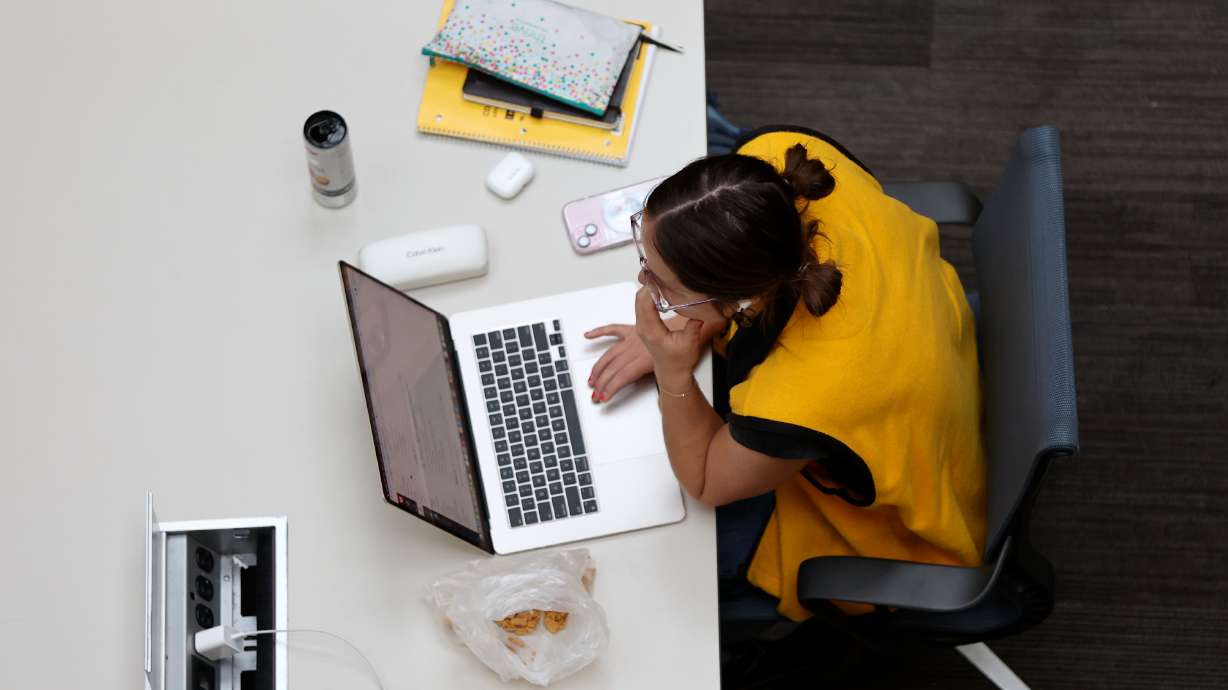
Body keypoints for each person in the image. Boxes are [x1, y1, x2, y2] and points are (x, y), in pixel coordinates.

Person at [583, 126, 987, 620]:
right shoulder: (782, 154)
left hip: (898, 526)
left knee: (648, 570)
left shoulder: (802, 396)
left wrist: (673, 371)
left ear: (737, 294)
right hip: (933, 344)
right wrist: (698, 315)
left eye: (662, 283)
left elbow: (706, 480)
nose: (644, 283)